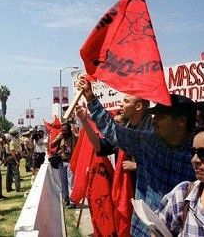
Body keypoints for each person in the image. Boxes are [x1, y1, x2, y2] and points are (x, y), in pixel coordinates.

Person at [77, 77, 196, 237]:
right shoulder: (148, 141)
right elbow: (113, 131)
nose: (155, 120)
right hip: (144, 230)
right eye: (155, 115)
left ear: (181, 121)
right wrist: (90, 97)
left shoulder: (201, 155)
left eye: (161, 116)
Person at [51, 121, 78, 209]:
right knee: (63, 182)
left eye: (65, 130)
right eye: (62, 130)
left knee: (71, 182)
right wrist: (58, 138)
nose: (63, 132)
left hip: (71, 162)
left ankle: (72, 201)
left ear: (69, 130)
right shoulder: (60, 136)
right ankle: (66, 199)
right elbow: (51, 145)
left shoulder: (75, 137)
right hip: (61, 162)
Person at [6, 127, 22, 192]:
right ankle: (18, 188)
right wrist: (16, 161)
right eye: (17, 134)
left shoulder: (15, 141)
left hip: (11, 158)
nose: (18, 134)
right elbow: (12, 152)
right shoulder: (12, 142)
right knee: (16, 173)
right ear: (14, 134)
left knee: (9, 174)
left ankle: (8, 188)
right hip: (12, 158)